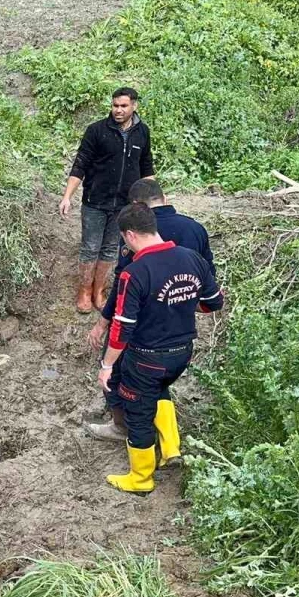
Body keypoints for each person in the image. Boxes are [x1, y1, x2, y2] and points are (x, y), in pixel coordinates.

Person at [84, 179, 217, 468]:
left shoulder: (136, 244)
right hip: (179, 336)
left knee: (132, 391)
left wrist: (105, 334)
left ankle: (127, 439)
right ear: (163, 197)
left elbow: (123, 292)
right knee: (158, 382)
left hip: (142, 336)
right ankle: (171, 448)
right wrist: (180, 300)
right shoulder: (194, 232)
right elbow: (211, 293)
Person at [59, 87, 155, 314]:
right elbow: (80, 165)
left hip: (124, 204)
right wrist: (67, 196)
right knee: (90, 247)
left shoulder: (142, 133)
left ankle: (98, 291)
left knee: (111, 248)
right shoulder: (96, 131)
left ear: (134, 106)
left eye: (123, 106)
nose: (118, 110)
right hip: (95, 201)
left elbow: (146, 167)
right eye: (115, 106)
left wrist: (154, 200)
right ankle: (84, 290)